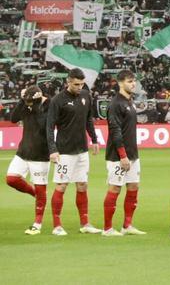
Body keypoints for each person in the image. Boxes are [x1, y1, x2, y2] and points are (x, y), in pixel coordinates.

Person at [46, 68, 101, 236]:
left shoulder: (86, 96)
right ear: (68, 82)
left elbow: (88, 120)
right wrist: (53, 150)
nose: (79, 87)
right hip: (64, 152)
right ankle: (57, 225)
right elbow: (49, 126)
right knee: (61, 186)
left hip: (82, 150)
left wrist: (94, 139)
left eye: (82, 84)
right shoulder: (57, 100)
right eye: (76, 84)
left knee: (82, 185)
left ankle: (85, 224)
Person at [103, 70, 144, 236]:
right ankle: (107, 229)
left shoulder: (130, 101)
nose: (133, 84)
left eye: (134, 81)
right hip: (117, 156)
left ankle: (127, 225)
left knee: (133, 186)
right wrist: (123, 155)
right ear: (120, 83)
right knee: (115, 188)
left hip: (132, 154)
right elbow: (115, 131)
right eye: (129, 81)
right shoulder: (115, 104)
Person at [7, 85, 49, 235]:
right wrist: (22, 100)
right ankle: (36, 194)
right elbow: (13, 119)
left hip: (41, 155)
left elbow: (43, 125)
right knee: (11, 179)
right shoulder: (26, 105)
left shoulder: (49, 106)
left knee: (41, 188)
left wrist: (35, 106)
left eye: (30, 101)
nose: (28, 104)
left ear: (37, 99)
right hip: (23, 151)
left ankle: (37, 224)